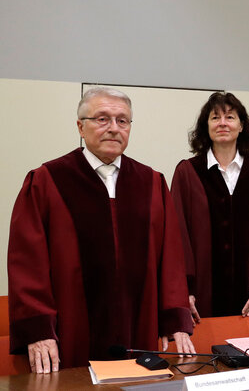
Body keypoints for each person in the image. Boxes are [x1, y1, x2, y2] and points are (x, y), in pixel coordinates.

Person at [7, 87, 195, 373]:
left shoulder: (151, 183)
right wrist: (38, 329)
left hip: (138, 331)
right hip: (69, 335)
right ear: (80, 127)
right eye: (102, 119)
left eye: (122, 121)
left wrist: (175, 320)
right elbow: (27, 263)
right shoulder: (48, 181)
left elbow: (170, 258)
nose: (113, 128)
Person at [171, 92, 249, 337]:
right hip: (202, 295)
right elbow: (177, 235)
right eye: (215, 118)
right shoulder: (188, 173)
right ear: (206, 127)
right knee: (207, 365)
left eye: (230, 117)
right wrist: (184, 290)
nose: (223, 123)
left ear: (242, 126)